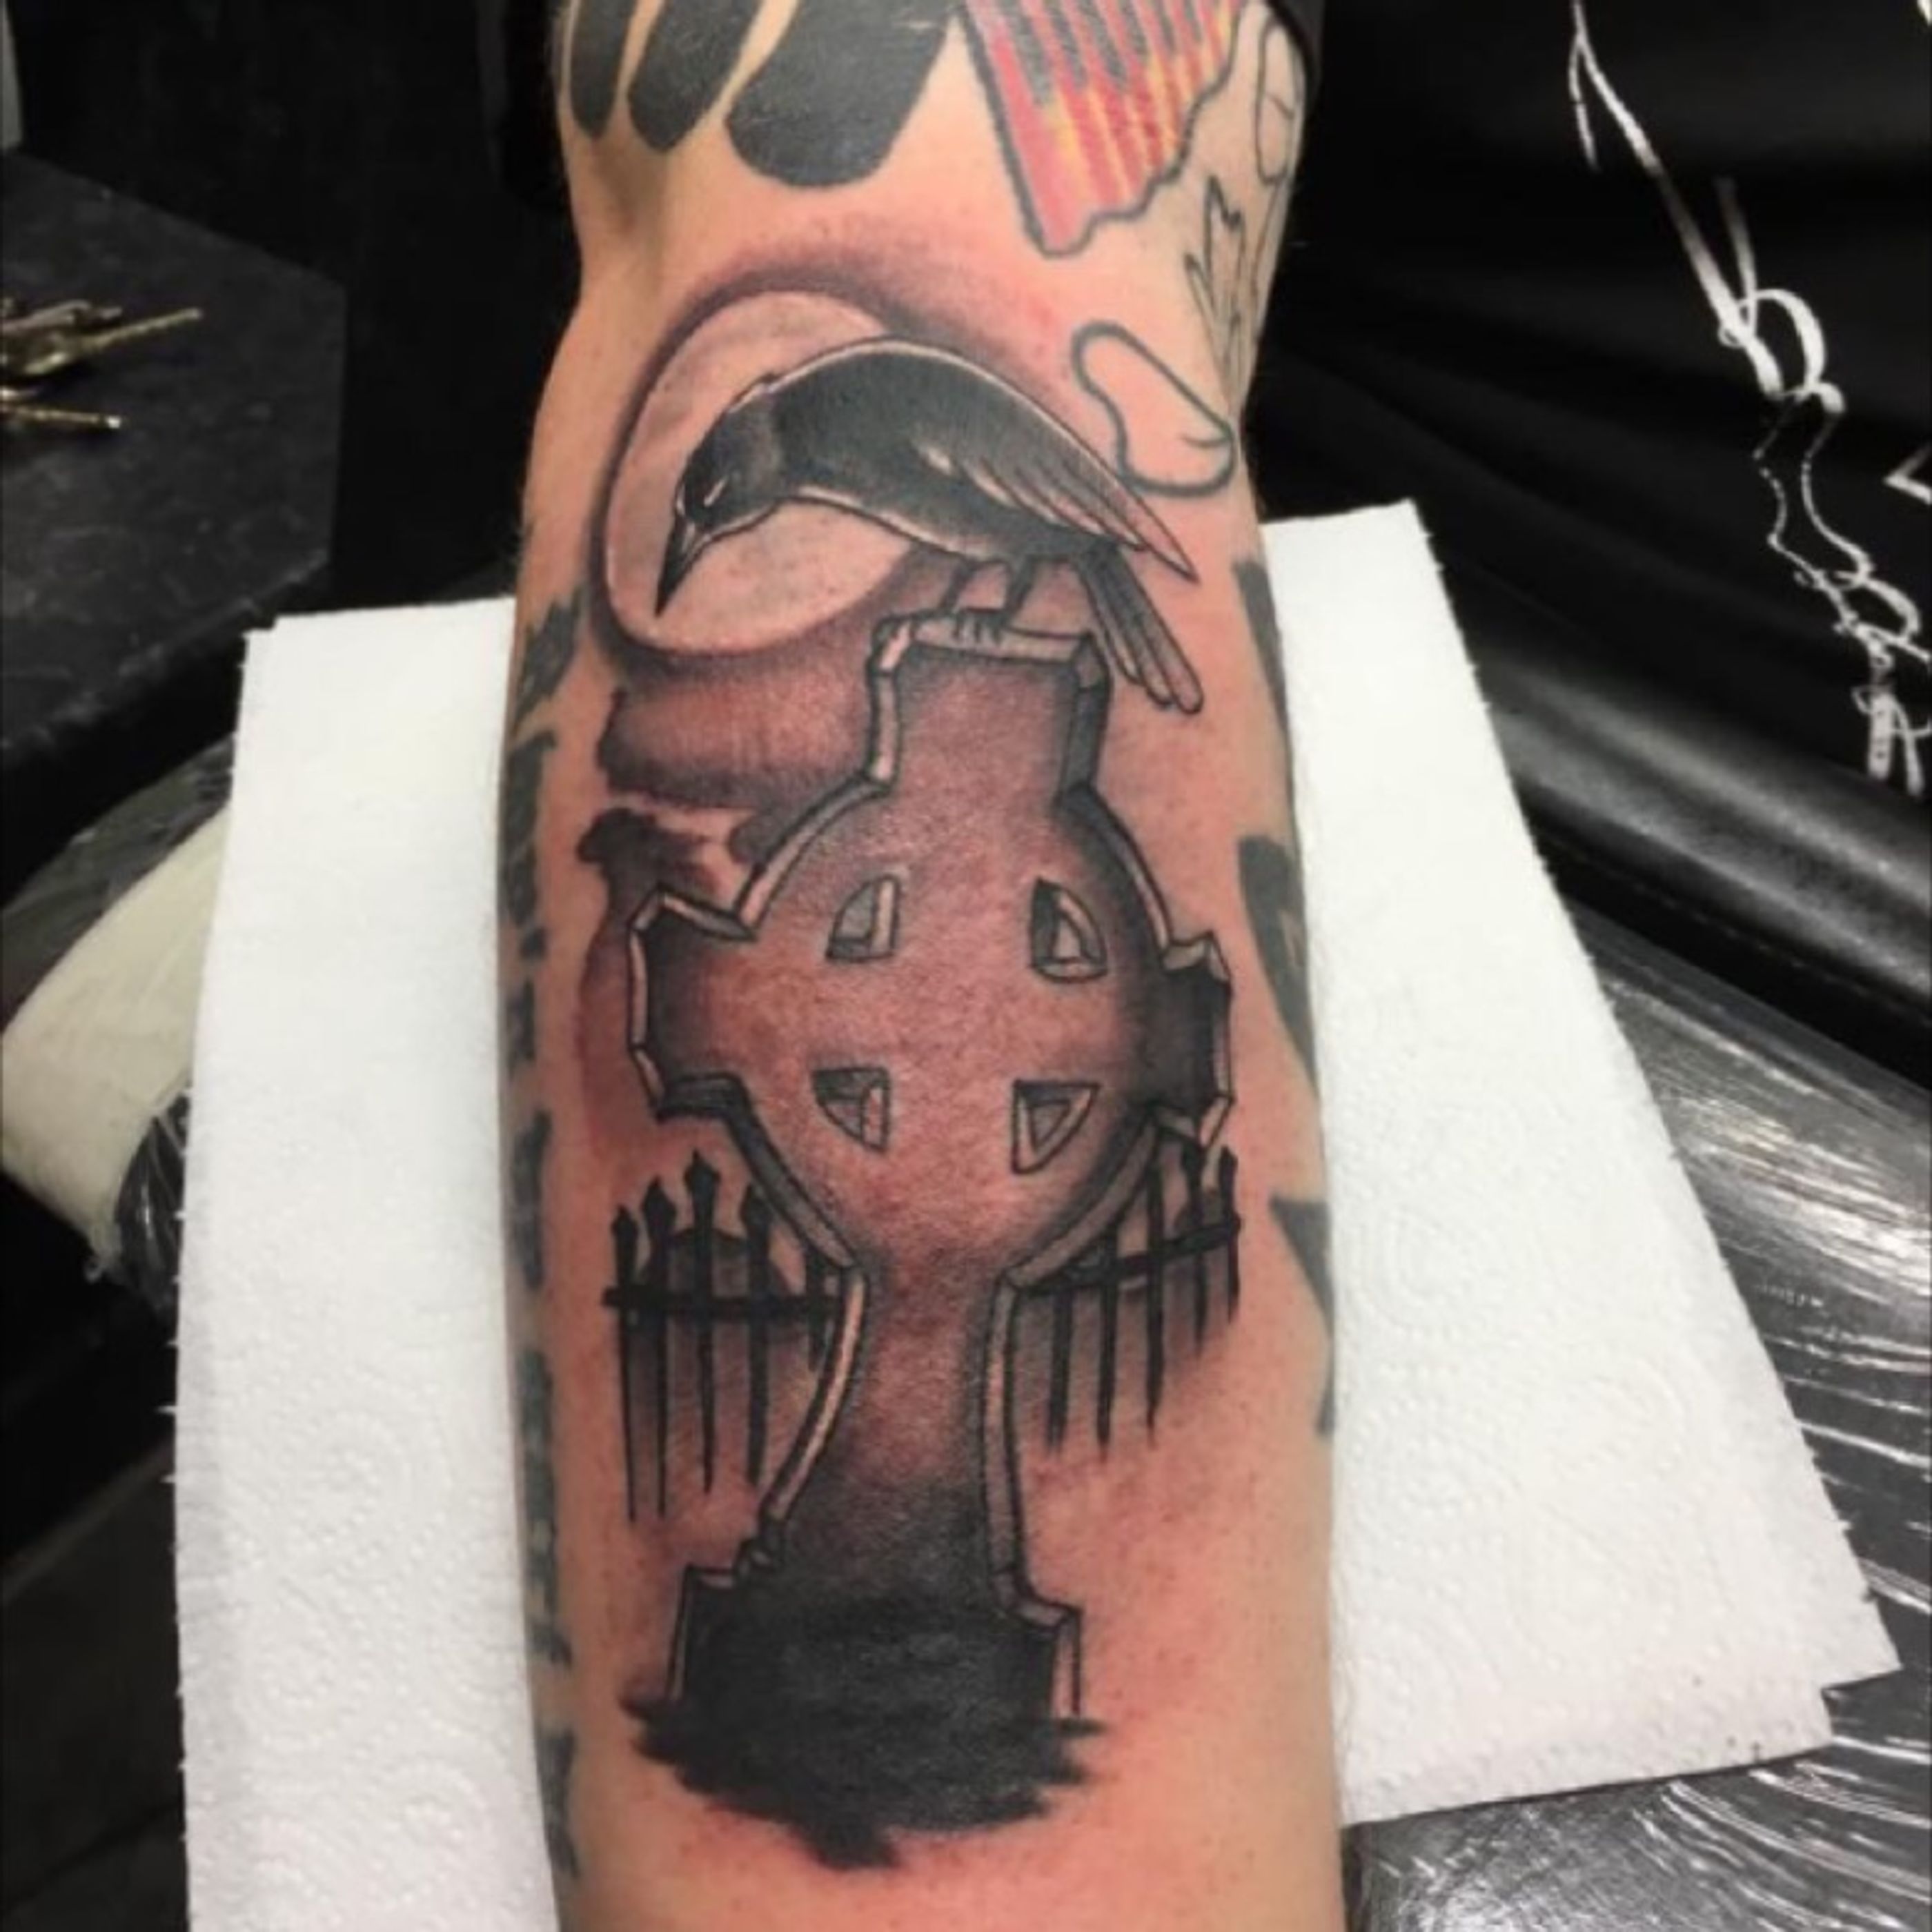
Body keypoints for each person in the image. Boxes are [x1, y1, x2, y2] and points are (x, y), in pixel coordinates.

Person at [500, 1, 1338, 1926]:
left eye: (730, 506)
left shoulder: (867, 416)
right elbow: (910, 158)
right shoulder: (833, 412)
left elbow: (1026, 496)